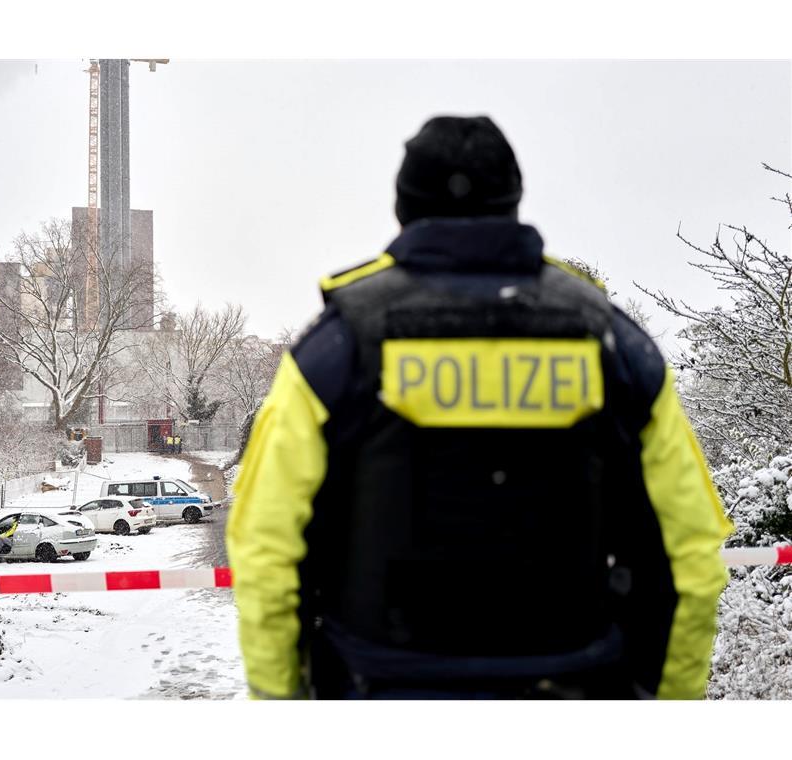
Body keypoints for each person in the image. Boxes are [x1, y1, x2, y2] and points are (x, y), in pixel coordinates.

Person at [225, 115, 733, 700]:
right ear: (513, 201)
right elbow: (691, 553)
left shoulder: (337, 349)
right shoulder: (612, 343)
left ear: (403, 209)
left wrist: (280, 701)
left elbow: (265, 551)